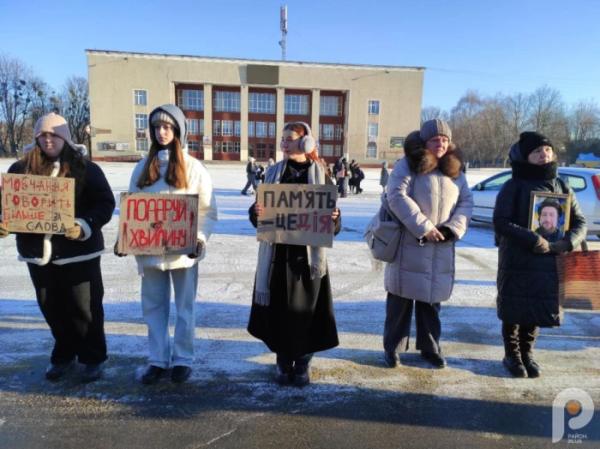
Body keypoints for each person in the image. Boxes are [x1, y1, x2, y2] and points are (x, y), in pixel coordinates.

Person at [0, 112, 115, 382]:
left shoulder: (86, 169)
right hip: (39, 255)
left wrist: (84, 224)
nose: (48, 140)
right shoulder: (20, 170)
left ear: (65, 138)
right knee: (51, 307)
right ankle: (64, 354)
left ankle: (92, 357)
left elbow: (104, 204)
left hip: (78, 254)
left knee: (85, 309)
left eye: (54, 135)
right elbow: (7, 205)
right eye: (43, 135)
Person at [120, 104, 217, 384]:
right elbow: (133, 209)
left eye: (167, 127)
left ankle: (183, 358)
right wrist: (125, 239)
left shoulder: (194, 168)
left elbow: (207, 211)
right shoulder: (142, 167)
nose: (161, 132)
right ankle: (158, 359)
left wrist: (199, 239)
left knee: (185, 306)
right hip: (149, 251)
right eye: (157, 127)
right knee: (153, 306)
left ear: (178, 131)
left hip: (182, 252)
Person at [247, 121, 341, 387]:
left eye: (290, 138)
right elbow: (260, 213)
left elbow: (332, 222)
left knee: (305, 314)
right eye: (283, 138)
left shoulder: (320, 173)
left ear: (305, 142)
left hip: (306, 259)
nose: (284, 143)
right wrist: (256, 213)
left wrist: (334, 217)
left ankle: (302, 363)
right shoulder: (273, 172)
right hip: (277, 256)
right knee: (279, 313)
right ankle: (282, 361)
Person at [493, 131, 586, 378]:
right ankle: (511, 354)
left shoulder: (561, 185)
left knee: (536, 307)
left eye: (547, 150)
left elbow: (580, 222)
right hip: (517, 259)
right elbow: (501, 222)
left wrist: (566, 243)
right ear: (525, 156)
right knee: (514, 307)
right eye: (536, 151)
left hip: (549, 261)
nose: (543, 154)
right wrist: (533, 238)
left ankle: (527, 352)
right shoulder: (513, 185)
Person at [383, 119, 473, 369]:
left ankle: (430, 347)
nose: (441, 144)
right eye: (435, 140)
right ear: (425, 141)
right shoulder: (408, 165)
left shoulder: (456, 171)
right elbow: (396, 196)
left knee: (431, 301)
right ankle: (392, 348)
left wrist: (452, 228)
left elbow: (466, 203)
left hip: (441, 245)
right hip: (410, 244)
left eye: (445, 140)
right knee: (400, 300)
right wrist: (424, 227)